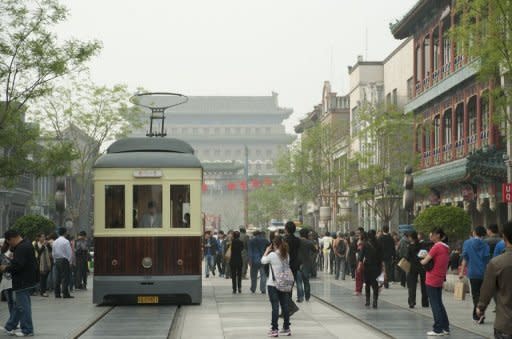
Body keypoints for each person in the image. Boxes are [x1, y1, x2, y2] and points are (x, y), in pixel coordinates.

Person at [476, 221, 512, 339]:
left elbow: (487, 290)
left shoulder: (497, 263)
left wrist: (481, 308)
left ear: (504, 236)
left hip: (506, 324)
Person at [0, 229, 38, 337]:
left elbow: (18, 265)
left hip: (22, 281)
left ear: (11, 239)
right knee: (19, 305)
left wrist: (5, 268)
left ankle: (27, 330)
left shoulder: (21, 248)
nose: (9, 244)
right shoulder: (26, 243)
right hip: (27, 279)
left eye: (8, 242)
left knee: (23, 306)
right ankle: (9, 326)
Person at [420, 227, 450, 336]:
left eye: (432, 234)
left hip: (432, 278)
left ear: (437, 235)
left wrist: (422, 259)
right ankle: (445, 327)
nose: (430, 237)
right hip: (440, 277)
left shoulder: (436, 247)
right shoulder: (446, 247)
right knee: (439, 303)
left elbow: (425, 261)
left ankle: (438, 329)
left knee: (435, 304)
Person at [261, 235, 291, 337]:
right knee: (285, 306)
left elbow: (263, 261)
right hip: (284, 283)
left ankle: (274, 329)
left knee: (275, 307)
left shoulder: (272, 255)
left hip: (273, 284)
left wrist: (266, 250)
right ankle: (286, 328)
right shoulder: (286, 255)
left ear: (274, 245)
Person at [459, 225, 490, 324]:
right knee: (481, 295)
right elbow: (487, 260)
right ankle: (477, 314)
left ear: (474, 233)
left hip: (472, 272)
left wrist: (461, 272)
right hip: (483, 272)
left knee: (475, 295)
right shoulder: (486, 245)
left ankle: (479, 314)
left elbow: (465, 258)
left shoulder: (467, 243)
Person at [359, 229, 383, 308]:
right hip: (376, 267)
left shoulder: (365, 244)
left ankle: (367, 300)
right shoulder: (379, 244)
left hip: (368, 266)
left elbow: (361, 256)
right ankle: (375, 301)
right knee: (375, 285)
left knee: (367, 284)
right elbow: (381, 257)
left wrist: (359, 265)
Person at [406, 231, 428, 308]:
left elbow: (407, 258)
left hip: (412, 268)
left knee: (412, 285)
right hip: (422, 266)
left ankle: (412, 302)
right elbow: (425, 254)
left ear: (411, 237)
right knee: (424, 285)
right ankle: (425, 302)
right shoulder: (422, 245)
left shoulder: (409, 247)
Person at [284, 221, 300, 315]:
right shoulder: (297, 240)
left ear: (286, 229)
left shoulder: (285, 240)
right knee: (290, 287)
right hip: (294, 265)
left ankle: (289, 307)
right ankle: (288, 308)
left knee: (283, 288)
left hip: (286, 265)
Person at [52, 227, 74, 299]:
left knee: (57, 278)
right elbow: (69, 252)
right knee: (65, 277)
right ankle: (65, 294)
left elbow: (53, 253)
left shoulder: (55, 242)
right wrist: (70, 261)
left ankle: (57, 294)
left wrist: (55, 260)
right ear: (65, 233)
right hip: (64, 260)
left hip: (57, 260)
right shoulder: (66, 241)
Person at [297, 228, 317, 302]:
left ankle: (300, 297)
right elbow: (315, 250)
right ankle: (307, 297)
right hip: (306, 263)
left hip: (298, 263)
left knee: (298, 281)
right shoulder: (309, 242)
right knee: (306, 281)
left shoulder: (297, 242)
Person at [354, 229, 366, 296]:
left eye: (359, 235)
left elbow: (361, 253)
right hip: (361, 260)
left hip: (361, 260)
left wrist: (360, 263)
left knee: (359, 275)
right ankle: (358, 290)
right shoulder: (360, 242)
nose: (358, 236)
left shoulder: (363, 244)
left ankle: (358, 290)